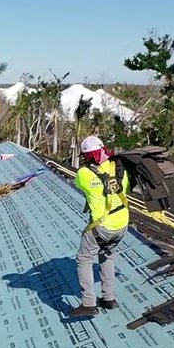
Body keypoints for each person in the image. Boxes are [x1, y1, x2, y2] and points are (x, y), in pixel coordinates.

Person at [69, 135, 129, 318]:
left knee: (84, 259)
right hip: (122, 223)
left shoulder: (84, 174)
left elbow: (79, 184)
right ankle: (109, 298)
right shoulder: (120, 169)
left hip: (102, 226)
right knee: (107, 256)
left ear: (87, 156)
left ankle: (88, 303)